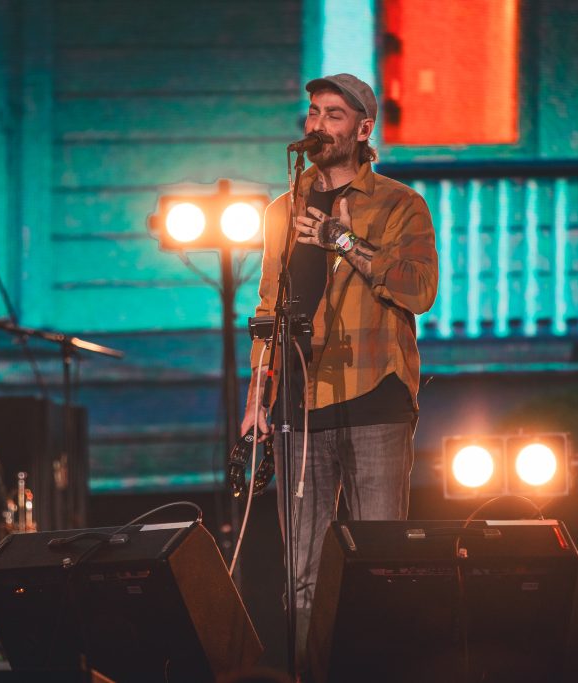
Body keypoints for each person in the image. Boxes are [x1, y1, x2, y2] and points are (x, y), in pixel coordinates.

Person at [240, 74, 438, 667]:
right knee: (302, 577)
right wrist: (257, 395)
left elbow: (419, 290)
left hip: (374, 395)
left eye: (333, 115)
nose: (318, 124)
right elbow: (268, 309)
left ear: (362, 129)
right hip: (299, 407)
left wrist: (342, 239)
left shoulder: (400, 203)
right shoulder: (283, 209)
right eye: (313, 112)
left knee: (382, 563)